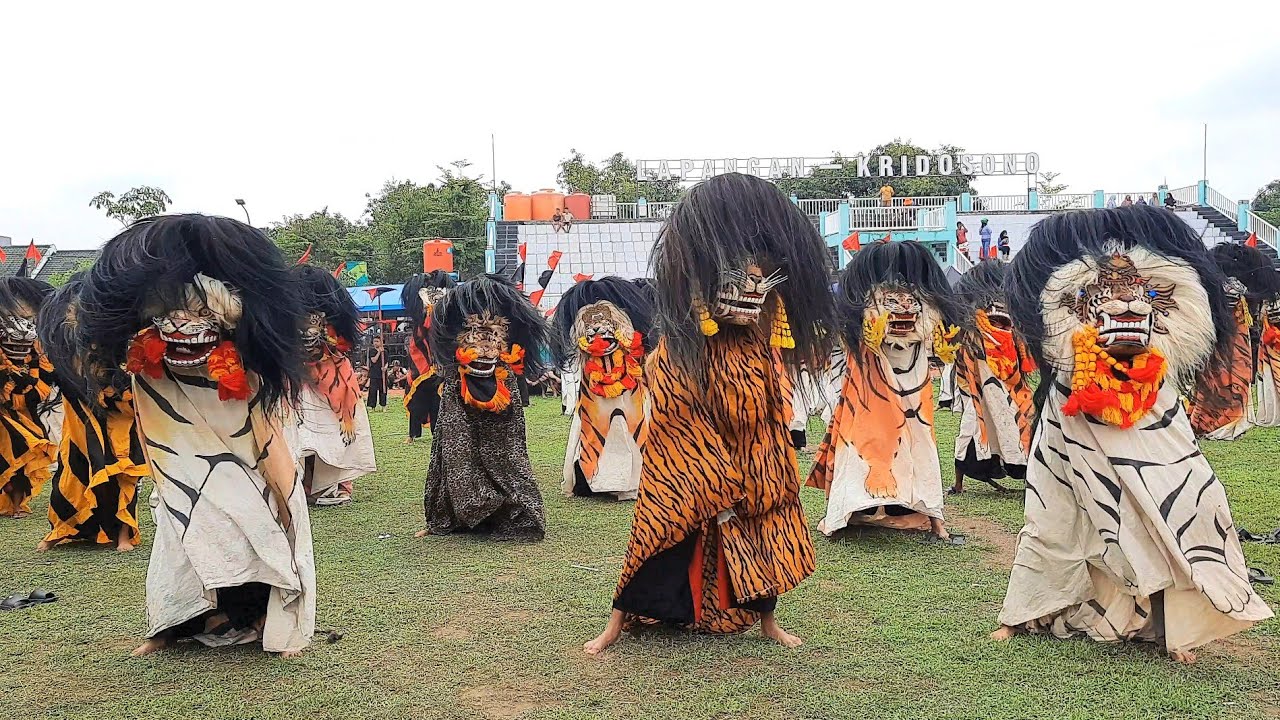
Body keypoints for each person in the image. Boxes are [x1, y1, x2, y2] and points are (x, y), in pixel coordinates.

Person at [992, 205, 1272, 663]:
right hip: (1076, 408)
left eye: (1142, 290)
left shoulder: (1164, 360)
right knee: (1056, 514)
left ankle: (1172, 623)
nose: (1126, 300)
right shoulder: (1066, 356)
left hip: (1152, 400)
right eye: (1103, 289)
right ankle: (1023, 612)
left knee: (1190, 501)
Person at [584, 172, 835, 655]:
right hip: (692, 469)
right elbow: (676, 419)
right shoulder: (680, 350)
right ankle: (615, 624)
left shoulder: (757, 346)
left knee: (763, 535)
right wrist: (715, 479)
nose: (753, 291)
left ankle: (768, 622)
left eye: (761, 281)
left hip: (750, 463)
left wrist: (765, 470)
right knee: (660, 534)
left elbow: (768, 414)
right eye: (740, 280)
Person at [79, 214, 314, 658]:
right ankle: (174, 623)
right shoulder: (147, 369)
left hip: (246, 465)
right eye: (168, 315)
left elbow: (267, 433)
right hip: (179, 474)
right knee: (179, 536)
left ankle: (267, 616)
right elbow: (150, 427)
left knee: (254, 526)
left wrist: (280, 485)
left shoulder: (250, 369)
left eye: (201, 314)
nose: (180, 325)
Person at [807, 240, 963, 542]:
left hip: (916, 399)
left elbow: (941, 336)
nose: (903, 305)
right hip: (868, 393)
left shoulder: (926, 309)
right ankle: (847, 510)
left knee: (920, 448)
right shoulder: (867, 309)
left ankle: (933, 517)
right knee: (863, 446)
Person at [415, 274, 549, 541]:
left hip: (500, 389)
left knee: (507, 454)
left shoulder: (506, 357)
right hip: (460, 387)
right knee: (455, 452)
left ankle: (509, 513)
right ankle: (452, 515)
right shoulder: (454, 339)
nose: (485, 345)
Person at [36, 277, 148, 551]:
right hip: (80, 422)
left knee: (123, 474)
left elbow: (130, 383)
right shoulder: (65, 350)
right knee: (71, 476)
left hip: (119, 421)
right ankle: (62, 530)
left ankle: (123, 535)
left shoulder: (118, 344)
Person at [553, 276, 654, 501]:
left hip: (630, 395)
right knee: (595, 436)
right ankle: (598, 480)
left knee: (635, 433)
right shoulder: (583, 342)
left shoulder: (629, 341)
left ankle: (636, 478)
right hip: (595, 397)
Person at [288, 264, 376, 507]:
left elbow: (343, 343)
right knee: (301, 435)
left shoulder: (333, 323)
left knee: (333, 435)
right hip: (298, 379)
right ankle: (301, 485)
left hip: (334, 383)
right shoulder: (290, 317)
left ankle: (332, 485)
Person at [948, 262, 1035, 494]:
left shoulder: (1012, 326)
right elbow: (960, 349)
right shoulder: (971, 328)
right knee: (970, 430)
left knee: (1019, 427)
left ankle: (1032, 478)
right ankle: (958, 484)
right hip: (978, 390)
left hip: (1009, 387)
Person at [1188, 243, 1279, 440]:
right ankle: (1217, 418)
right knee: (1220, 377)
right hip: (1222, 344)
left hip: (1228, 344)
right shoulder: (1225, 293)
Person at [0, 277, 57, 519]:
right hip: (5, 408)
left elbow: (44, 371)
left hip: (23, 411)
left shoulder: (36, 344)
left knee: (22, 453)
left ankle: (16, 505)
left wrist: (26, 385)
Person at [402, 271, 456, 444]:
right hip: (421, 363)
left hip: (439, 361)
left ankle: (436, 434)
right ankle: (412, 434)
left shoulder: (443, 310)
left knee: (437, 402)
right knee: (416, 400)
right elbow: (424, 326)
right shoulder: (420, 311)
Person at [366, 335, 387, 410]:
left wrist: (385, 368)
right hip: (374, 373)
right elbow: (374, 360)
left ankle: (383, 405)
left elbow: (387, 362)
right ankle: (372, 406)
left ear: (381, 342)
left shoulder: (385, 351)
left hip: (382, 374)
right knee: (373, 390)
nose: (375, 343)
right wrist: (379, 352)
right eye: (374, 341)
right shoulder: (372, 351)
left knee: (383, 390)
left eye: (377, 341)